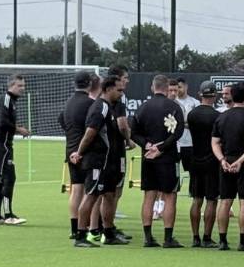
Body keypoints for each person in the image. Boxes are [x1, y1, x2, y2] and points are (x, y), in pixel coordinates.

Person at [70, 76, 128, 247]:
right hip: (97, 161)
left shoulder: (109, 107)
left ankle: (108, 233)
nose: (121, 93)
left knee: (109, 195)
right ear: (108, 89)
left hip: (109, 161)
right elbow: (90, 133)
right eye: (119, 90)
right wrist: (79, 152)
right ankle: (81, 236)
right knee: (91, 195)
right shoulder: (100, 107)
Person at [131, 74, 185, 248]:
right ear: (166, 87)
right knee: (170, 196)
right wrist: (161, 148)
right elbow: (178, 133)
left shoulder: (143, 108)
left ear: (152, 88)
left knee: (149, 196)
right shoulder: (174, 107)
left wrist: (148, 145)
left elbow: (133, 133)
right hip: (168, 157)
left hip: (148, 158)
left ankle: (148, 237)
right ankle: (168, 238)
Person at [212, 82, 244, 251]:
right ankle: (243, 240)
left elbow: (214, 142)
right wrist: (241, 161)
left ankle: (223, 240)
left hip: (226, 162)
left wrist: (222, 160)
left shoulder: (222, 117)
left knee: (225, 201)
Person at [60, 71, 100, 239]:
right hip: (86, 151)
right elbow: (93, 127)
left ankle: (74, 228)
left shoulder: (68, 103)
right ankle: (91, 227)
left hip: (70, 149)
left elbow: (61, 120)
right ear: (89, 84)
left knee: (76, 189)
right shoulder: (91, 103)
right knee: (90, 192)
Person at [0, 73, 30, 226]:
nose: (22, 89)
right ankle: (8, 215)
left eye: (23, 85)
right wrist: (20, 129)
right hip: (1, 145)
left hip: (2, 144)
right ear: (11, 86)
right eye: (19, 86)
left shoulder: (12, 101)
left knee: (0, 179)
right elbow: (3, 122)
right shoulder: (5, 99)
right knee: (9, 178)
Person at [185, 81, 221, 248]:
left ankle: (195, 237)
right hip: (212, 160)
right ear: (214, 96)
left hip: (195, 158)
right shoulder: (217, 116)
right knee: (211, 200)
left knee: (196, 199)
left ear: (200, 94)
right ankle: (206, 237)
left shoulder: (192, 115)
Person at [105, 65, 134, 242]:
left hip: (106, 152)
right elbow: (122, 125)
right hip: (115, 152)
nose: (127, 81)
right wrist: (129, 139)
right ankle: (106, 227)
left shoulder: (100, 102)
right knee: (113, 191)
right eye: (125, 78)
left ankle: (104, 226)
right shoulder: (117, 103)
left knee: (105, 191)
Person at [173, 77, 199, 194]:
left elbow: (196, 123)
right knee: (174, 172)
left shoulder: (194, 103)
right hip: (175, 144)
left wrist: (181, 123)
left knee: (193, 172)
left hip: (190, 144)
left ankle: (194, 195)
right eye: (175, 88)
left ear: (186, 87)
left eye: (180, 87)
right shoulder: (172, 103)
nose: (178, 90)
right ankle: (171, 197)